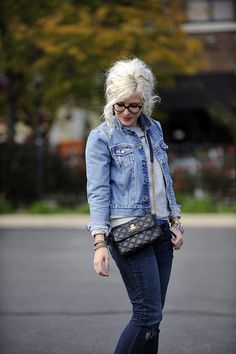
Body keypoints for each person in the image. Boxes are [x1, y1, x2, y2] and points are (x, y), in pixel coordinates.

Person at [85, 58, 184, 354]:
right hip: (126, 231)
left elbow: (163, 178)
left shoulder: (155, 129)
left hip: (160, 231)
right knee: (146, 315)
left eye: (134, 106)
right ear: (111, 100)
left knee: (154, 319)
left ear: (145, 102)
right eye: (120, 105)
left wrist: (175, 220)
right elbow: (98, 191)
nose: (126, 112)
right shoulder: (101, 137)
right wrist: (99, 242)